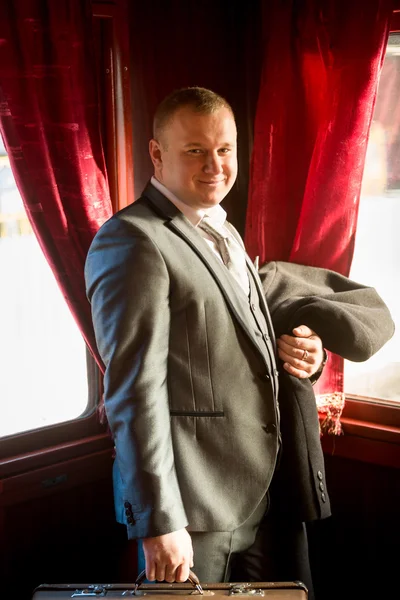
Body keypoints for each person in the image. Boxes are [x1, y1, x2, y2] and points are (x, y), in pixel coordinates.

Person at [84, 87, 327, 594]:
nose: (215, 165)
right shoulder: (132, 240)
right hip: (191, 510)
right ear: (157, 153)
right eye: (195, 150)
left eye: (225, 149)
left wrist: (308, 355)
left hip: (266, 492)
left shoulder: (227, 232)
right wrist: (159, 521)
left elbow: (243, 352)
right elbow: (133, 391)